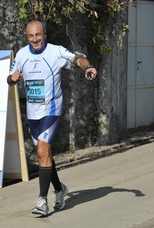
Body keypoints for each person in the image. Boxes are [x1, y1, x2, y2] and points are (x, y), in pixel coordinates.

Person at [7, 20, 97, 216]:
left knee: (41, 150)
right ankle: (59, 189)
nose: (35, 39)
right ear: (27, 36)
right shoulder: (22, 54)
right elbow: (10, 77)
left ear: (44, 33)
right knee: (44, 154)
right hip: (33, 113)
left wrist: (87, 67)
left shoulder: (56, 52)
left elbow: (77, 58)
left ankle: (42, 201)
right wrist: (12, 79)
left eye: (38, 35)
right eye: (31, 36)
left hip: (51, 110)